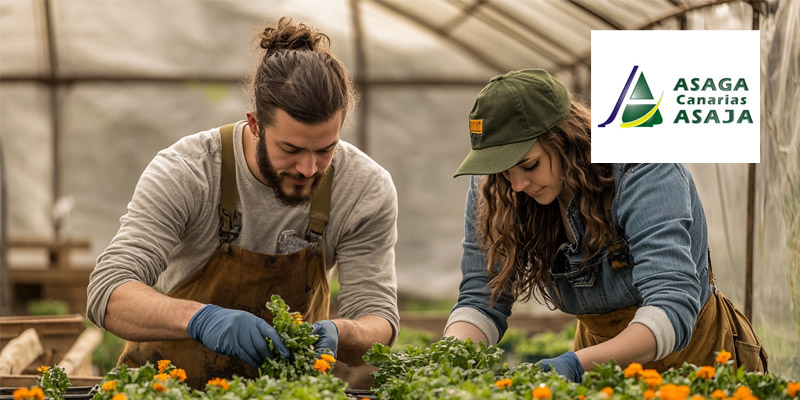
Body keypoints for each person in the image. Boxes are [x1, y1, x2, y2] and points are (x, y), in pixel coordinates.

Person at [87, 18, 398, 388]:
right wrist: (201, 319)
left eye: (325, 149)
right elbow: (109, 291)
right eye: (290, 149)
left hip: (288, 393)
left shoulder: (364, 188)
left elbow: (377, 319)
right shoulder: (188, 171)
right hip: (168, 390)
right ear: (254, 124)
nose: (309, 168)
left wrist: (342, 333)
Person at [443, 68, 767, 382]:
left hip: (698, 362)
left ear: (565, 138)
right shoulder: (498, 188)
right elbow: (482, 296)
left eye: (530, 165)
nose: (516, 184)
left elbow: (672, 305)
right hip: (598, 364)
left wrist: (576, 365)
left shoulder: (641, 167)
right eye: (503, 171)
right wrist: (449, 360)